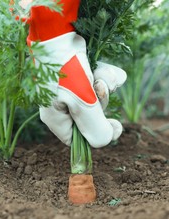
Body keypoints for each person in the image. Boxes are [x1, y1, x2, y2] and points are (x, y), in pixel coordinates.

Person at [10, 0, 127, 204]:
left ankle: (98, 75)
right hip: (52, 46)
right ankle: (101, 76)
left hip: (58, 44)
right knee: (95, 128)